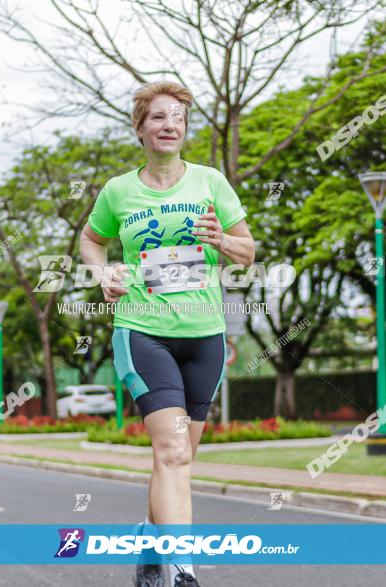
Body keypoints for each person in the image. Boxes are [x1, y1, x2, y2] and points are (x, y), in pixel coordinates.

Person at [79, 81, 255, 587]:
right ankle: (183, 572)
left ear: (185, 127)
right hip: (143, 329)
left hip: (204, 336)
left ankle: (150, 543)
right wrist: (102, 272)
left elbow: (248, 249)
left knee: (180, 459)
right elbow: (92, 242)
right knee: (172, 453)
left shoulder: (210, 182)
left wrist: (224, 239)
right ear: (140, 128)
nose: (168, 125)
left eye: (177, 117)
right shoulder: (118, 191)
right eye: (157, 117)